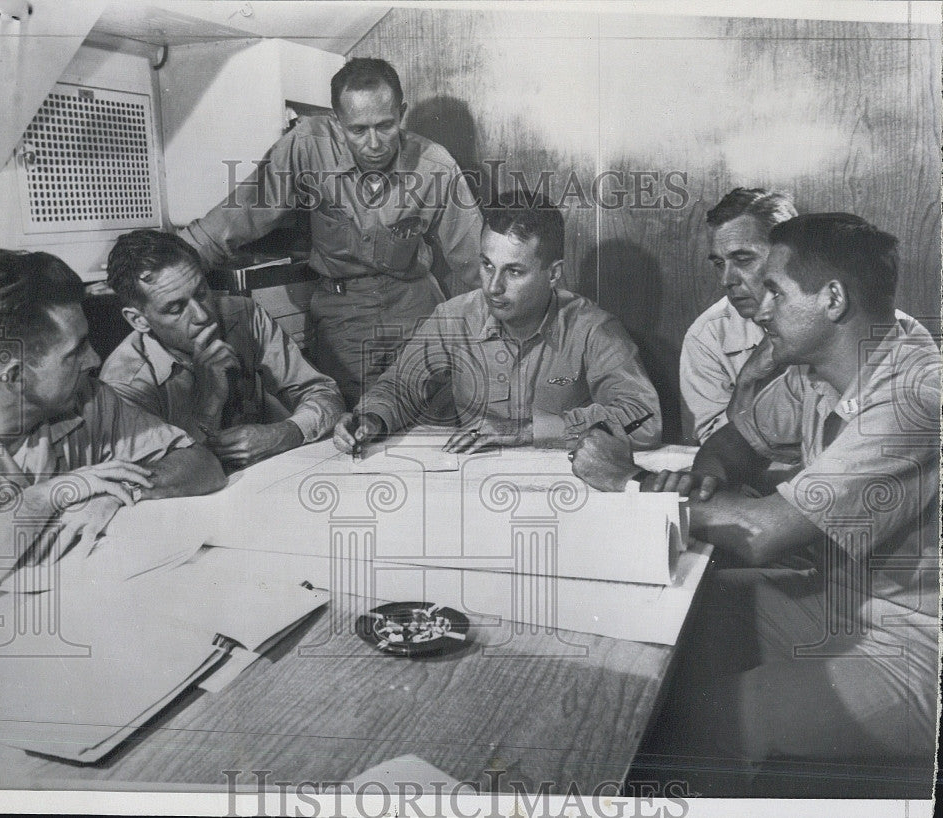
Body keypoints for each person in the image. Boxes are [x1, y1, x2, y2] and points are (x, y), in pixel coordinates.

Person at [570, 214, 940, 795]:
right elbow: (732, 444)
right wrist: (708, 480)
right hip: (837, 604)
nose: (759, 308)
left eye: (775, 290)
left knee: (704, 718)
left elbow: (765, 533)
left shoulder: (917, 392)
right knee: (671, 625)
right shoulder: (821, 367)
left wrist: (632, 485)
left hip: (916, 649)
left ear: (833, 299)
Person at [178, 57, 483, 407]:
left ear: (401, 112)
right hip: (342, 318)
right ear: (337, 123)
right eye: (358, 130)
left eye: (386, 126)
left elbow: (478, 260)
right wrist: (169, 265)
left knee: (435, 415)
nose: (374, 143)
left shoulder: (435, 164)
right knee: (356, 426)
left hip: (414, 308)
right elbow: (240, 213)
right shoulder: (305, 145)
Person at [0, 250, 226, 597]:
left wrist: (121, 492)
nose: (95, 359)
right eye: (76, 351)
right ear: (14, 374)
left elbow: (202, 463)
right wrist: (47, 497)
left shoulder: (85, 397)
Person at [333, 192, 661, 455]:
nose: (493, 286)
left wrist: (527, 432)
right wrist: (370, 419)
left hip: (563, 488)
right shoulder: (453, 318)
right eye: (488, 266)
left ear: (554, 273)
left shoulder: (593, 328)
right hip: (472, 489)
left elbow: (644, 419)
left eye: (513, 271)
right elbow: (400, 388)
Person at [100, 230, 345, 471]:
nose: (202, 315)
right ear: (138, 320)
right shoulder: (123, 382)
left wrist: (286, 432)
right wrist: (210, 400)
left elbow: (323, 392)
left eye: (202, 293)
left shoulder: (244, 315)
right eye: (176, 308)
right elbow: (158, 477)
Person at [679, 188, 797, 443]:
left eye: (743, 260)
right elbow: (713, 448)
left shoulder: (862, 323)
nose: (726, 279)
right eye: (719, 264)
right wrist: (749, 380)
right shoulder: (708, 335)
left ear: (787, 254)